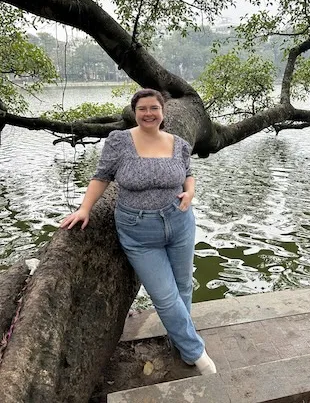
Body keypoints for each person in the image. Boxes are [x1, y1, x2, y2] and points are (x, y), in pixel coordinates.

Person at [60, 88, 216, 375]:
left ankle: (181, 341)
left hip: (180, 222)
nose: (148, 113)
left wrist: (190, 192)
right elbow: (101, 176)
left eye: (154, 108)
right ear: (135, 112)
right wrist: (84, 209)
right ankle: (195, 351)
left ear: (163, 112)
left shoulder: (179, 144)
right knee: (165, 296)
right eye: (142, 108)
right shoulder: (119, 142)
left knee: (183, 286)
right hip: (138, 230)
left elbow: (189, 173)